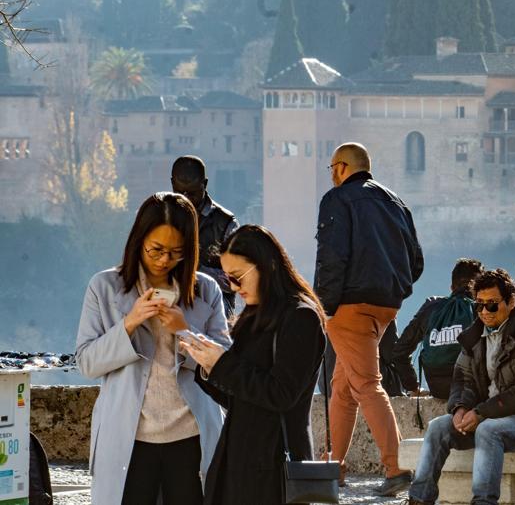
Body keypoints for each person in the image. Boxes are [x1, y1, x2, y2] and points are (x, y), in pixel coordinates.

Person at [75, 192, 231, 505]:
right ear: (138, 240)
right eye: (156, 249)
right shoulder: (105, 287)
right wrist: (129, 323)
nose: (164, 260)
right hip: (129, 438)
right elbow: (87, 362)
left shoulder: (205, 289)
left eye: (176, 252)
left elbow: (225, 367)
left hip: (191, 435)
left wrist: (184, 331)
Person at [178, 225, 328, 505]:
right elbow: (237, 396)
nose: (233, 288)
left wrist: (222, 365)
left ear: (268, 266)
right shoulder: (254, 314)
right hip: (238, 461)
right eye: (227, 279)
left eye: (238, 277)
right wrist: (206, 365)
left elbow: (281, 394)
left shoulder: (301, 318)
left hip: (274, 465)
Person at [407, 268, 515, 505]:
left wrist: (481, 413)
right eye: (479, 305)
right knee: (437, 428)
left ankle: (484, 502)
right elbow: (462, 377)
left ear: (511, 301)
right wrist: (460, 408)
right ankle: (419, 499)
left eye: (492, 305)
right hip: (491, 413)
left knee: (488, 430)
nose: (484, 312)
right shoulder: (476, 333)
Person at [315, 142, 424, 496]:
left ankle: (396, 469)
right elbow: (416, 260)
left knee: (365, 384)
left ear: (343, 167)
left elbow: (331, 257)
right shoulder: (394, 201)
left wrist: (322, 307)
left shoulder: (338, 200)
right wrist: (395, 289)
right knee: (342, 386)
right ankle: (335, 465)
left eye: (332, 167)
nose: (331, 174)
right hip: (386, 305)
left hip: (349, 305)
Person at [395, 258, 486, 399]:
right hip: (475, 390)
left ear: (451, 287)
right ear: (480, 289)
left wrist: (413, 386)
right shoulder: (483, 309)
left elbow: (399, 351)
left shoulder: (431, 307)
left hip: (439, 389)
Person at [172, 155, 240, 314]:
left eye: (192, 193)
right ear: (172, 184)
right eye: (180, 192)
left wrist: (197, 269)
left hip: (215, 307)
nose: (186, 199)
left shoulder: (226, 224)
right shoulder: (162, 216)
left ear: (205, 184)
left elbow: (236, 281)